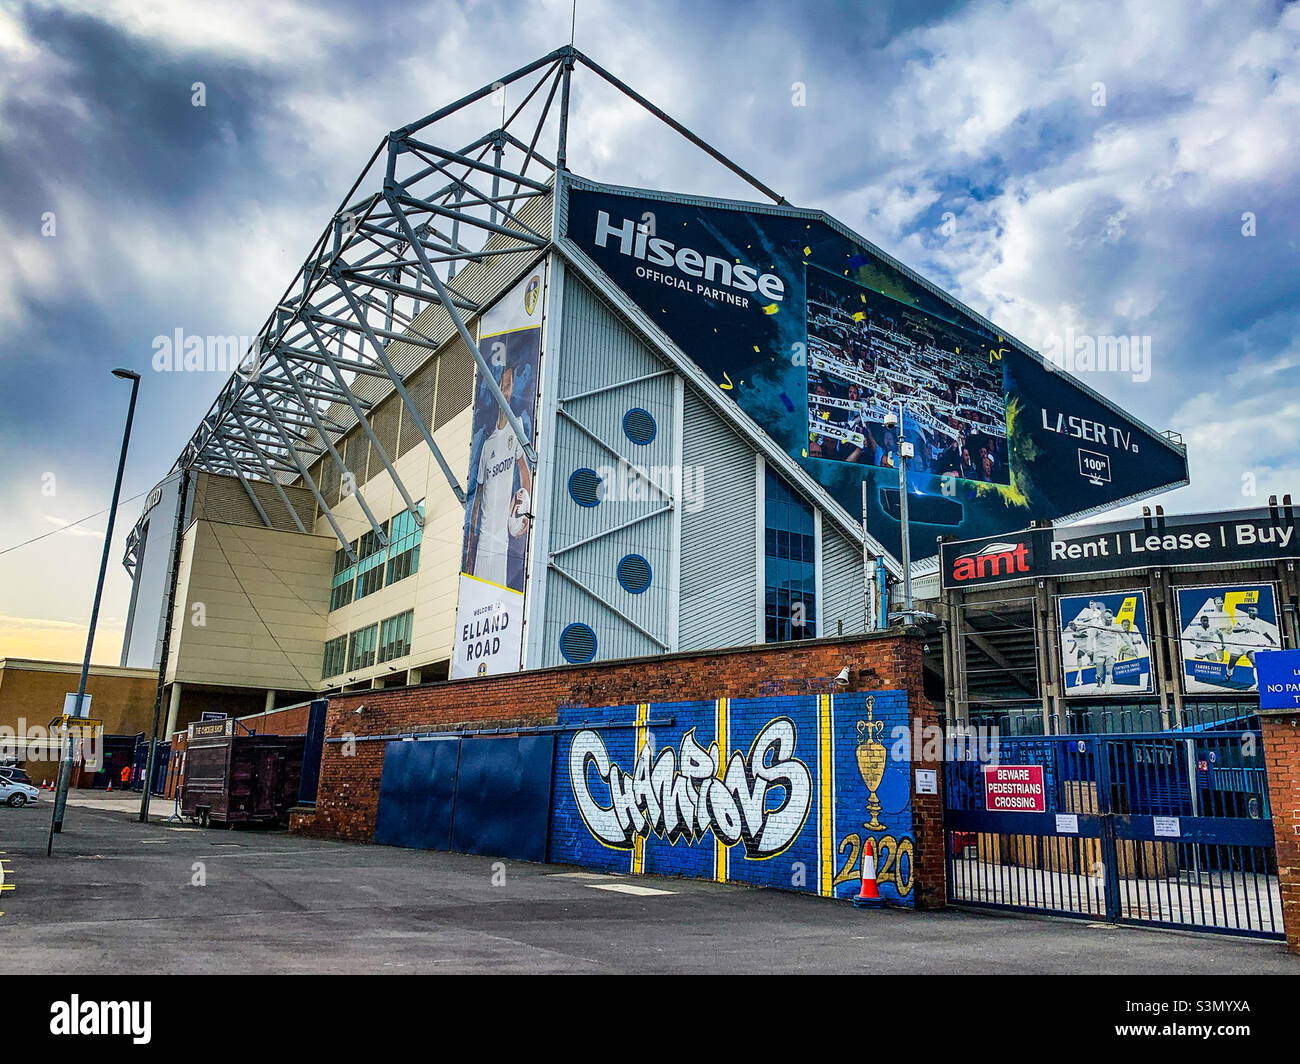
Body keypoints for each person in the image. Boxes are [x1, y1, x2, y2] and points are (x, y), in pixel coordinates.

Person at [465, 364, 533, 590]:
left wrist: (525, 513)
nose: (506, 391)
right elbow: (477, 500)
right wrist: (471, 544)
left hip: (502, 543)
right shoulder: (486, 445)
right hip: (483, 544)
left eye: (509, 386)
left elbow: (525, 473)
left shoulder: (517, 427)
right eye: (502, 386)